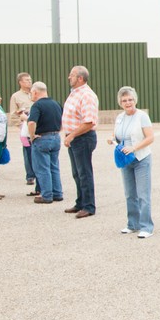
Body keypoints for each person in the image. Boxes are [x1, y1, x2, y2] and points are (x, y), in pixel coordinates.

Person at [109, 86, 155, 238]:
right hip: (125, 159)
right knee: (130, 194)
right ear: (120, 102)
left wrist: (134, 148)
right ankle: (132, 224)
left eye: (130, 99)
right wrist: (112, 139)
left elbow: (150, 137)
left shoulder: (142, 116)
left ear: (135, 100)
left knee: (143, 194)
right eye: (124, 100)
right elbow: (118, 135)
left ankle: (146, 227)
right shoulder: (120, 117)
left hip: (141, 158)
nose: (128, 103)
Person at [62, 65, 99, 219]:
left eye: (71, 75)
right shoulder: (75, 93)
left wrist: (71, 135)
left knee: (84, 173)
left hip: (82, 138)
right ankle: (81, 202)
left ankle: (89, 206)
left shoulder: (87, 95)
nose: (68, 77)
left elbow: (89, 122)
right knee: (77, 173)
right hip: (74, 137)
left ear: (80, 78)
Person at [26, 81, 64, 204]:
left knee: (42, 168)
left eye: (31, 93)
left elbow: (31, 122)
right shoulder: (56, 104)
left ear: (35, 92)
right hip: (55, 137)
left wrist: (32, 136)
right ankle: (57, 193)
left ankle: (47, 195)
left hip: (42, 138)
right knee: (54, 166)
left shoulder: (37, 106)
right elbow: (63, 120)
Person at [9, 72, 36, 187]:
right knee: (27, 151)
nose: (29, 82)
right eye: (26, 80)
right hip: (25, 128)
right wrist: (21, 124)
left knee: (38, 150)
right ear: (20, 82)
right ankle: (30, 175)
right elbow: (13, 115)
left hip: (37, 125)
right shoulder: (16, 96)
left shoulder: (35, 93)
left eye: (30, 80)